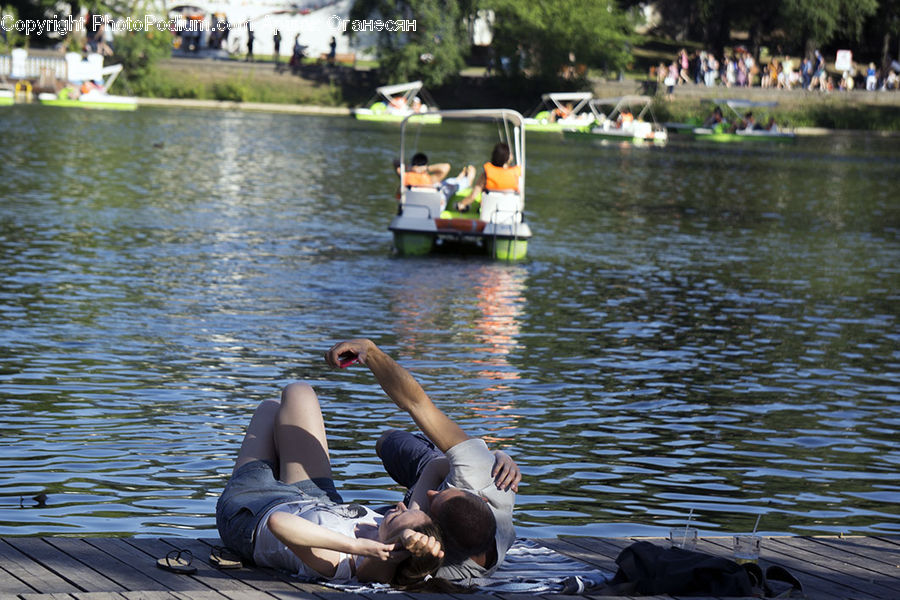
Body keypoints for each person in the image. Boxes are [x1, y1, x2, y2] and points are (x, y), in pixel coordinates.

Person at [324, 339, 520, 583]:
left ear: (439, 537)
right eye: (442, 493)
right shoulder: (485, 478)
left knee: (353, 516)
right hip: (437, 465)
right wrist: (370, 353)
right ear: (479, 497)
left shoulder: (444, 564)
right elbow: (417, 404)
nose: (430, 493)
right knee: (387, 440)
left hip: (417, 517)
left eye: (434, 500)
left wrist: (408, 524)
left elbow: (378, 573)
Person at [215, 381, 444, 585]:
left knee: (269, 409)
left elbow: (278, 522)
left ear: (390, 551)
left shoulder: (340, 563)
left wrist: (358, 546)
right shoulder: (398, 527)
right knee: (298, 392)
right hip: (316, 497)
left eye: (397, 516)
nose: (400, 505)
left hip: (254, 509)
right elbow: (435, 467)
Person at [455, 142, 521, 213]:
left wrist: (461, 204)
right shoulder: (516, 174)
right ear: (508, 158)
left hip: (488, 214)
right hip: (509, 214)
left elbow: (473, 196)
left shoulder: (486, 175)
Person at [396, 153, 475, 205]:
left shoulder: (405, 177)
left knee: (447, 182)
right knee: (450, 184)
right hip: (437, 202)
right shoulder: (429, 179)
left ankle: (461, 177)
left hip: (418, 204)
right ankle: (467, 179)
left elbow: (396, 164)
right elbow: (446, 167)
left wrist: (410, 168)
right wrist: (425, 168)